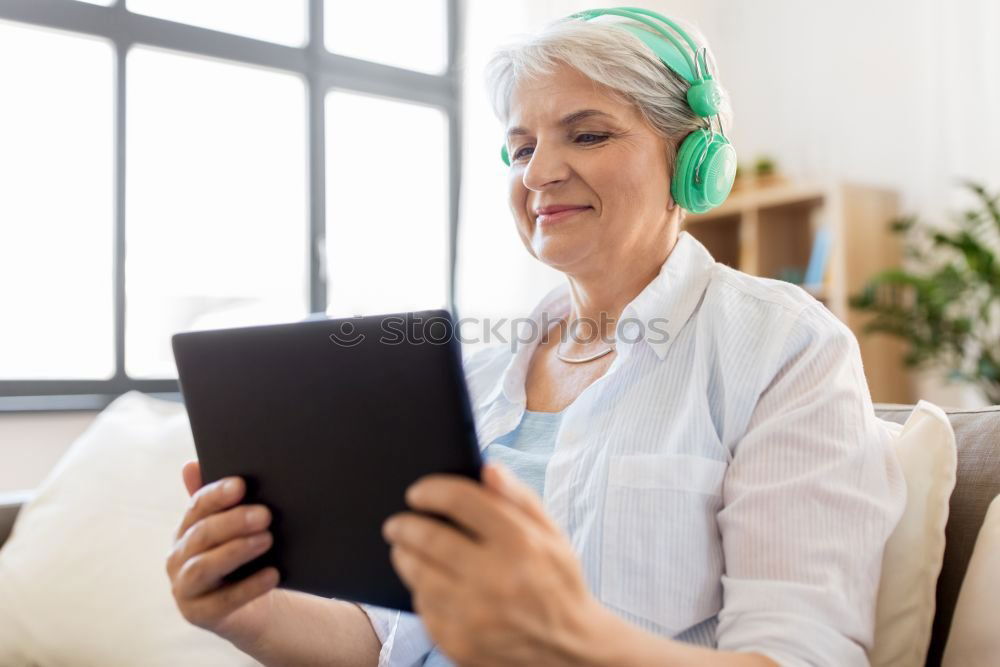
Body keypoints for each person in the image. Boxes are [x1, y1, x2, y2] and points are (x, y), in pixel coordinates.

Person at [167, 8, 906, 666]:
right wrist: (250, 612)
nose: (541, 172)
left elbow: (799, 654)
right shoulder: (470, 372)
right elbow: (390, 641)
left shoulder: (784, 349)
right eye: (520, 149)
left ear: (691, 162)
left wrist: (566, 632)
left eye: (586, 133)